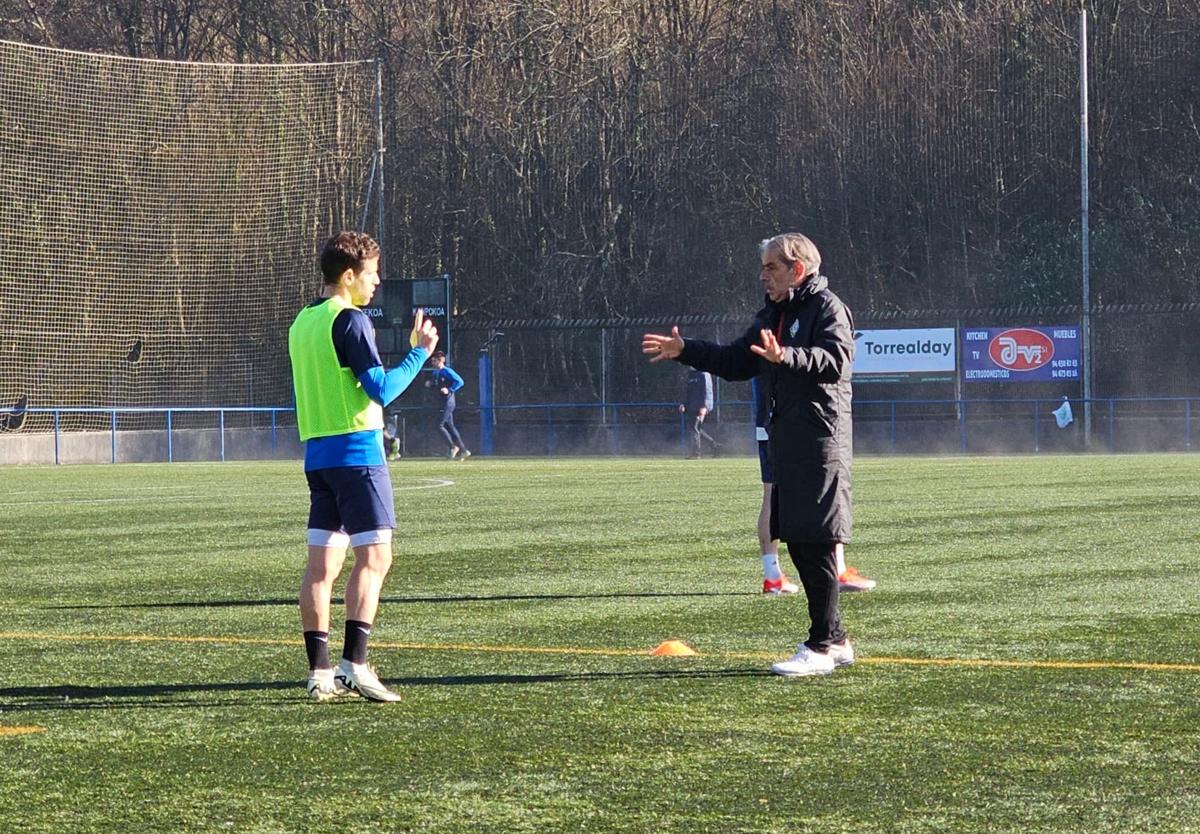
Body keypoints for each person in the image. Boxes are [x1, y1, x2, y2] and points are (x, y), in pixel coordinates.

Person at [643, 232, 855, 677]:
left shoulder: (827, 307)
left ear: (798, 269)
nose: (763, 275)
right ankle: (835, 639)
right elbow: (736, 361)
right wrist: (686, 351)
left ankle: (821, 646)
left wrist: (788, 357)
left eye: (771, 267)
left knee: (814, 542)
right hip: (787, 442)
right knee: (799, 540)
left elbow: (835, 358)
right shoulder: (771, 314)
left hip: (819, 441)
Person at [288, 230, 438, 702]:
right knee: (375, 558)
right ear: (349, 275)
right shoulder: (350, 321)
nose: (377, 282)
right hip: (358, 457)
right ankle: (355, 663)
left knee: (321, 569)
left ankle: (320, 673)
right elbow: (382, 390)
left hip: (318, 458)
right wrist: (420, 352)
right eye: (372, 273)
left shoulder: (302, 321)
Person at [426, 351, 471, 460]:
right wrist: (430, 384)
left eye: (434, 360)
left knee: (439, 425)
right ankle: (464, 450)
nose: (432, 362)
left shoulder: (447, 371)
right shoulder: (435, 372)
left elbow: (460, 382)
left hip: (448, 402)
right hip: (441, 402)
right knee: (450, 427)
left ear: (440, 360)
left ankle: (453, 447)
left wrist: (449, 390)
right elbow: (437, 384)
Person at [680, 368, 720, 458]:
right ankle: (715, 445)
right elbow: (687, 392)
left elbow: (707, 392)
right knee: (696, 428)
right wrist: (683, 404)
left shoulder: (704, 374)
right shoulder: (691, 375)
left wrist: (704, 406)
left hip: (700, 407)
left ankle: (696, 453)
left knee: (695, 427)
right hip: (691, 406)